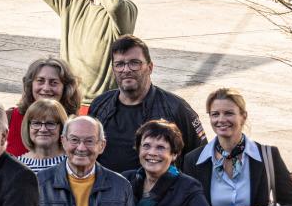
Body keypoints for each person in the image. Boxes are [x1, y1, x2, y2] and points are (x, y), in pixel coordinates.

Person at [181, 88, 292, 206]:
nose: (221, 120)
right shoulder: (193, 160)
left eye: (229, 113)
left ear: (243, 116)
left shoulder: (268, 155)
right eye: (215, 114)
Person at [31, 0, 137, 101]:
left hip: (101, 102)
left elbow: (115, 5)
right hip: (68, 98)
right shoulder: (74, 0)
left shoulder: (127, 9)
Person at [88, 36, 205, 175]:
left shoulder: (176, 108)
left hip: (158, 195)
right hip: (107, 193)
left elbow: (200, 158)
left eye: (134, 63)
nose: (126, 70)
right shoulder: (100, 105)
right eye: (119, 64)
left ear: (150, 67)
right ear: (113, 69)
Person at [31, 115, 137, 206]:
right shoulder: (40, 183)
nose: (81, 148)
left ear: (101, 145)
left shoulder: (121, 186)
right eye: (74, 140)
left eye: (89, 141)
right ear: (63, 141)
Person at [122, 120, 215, 206]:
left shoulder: (187, 186)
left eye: (160, 147)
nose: (152, 153)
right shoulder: (125, 180)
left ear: (174, 154)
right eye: (146, 146)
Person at [6, 56, 82, 156]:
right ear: (30, 85)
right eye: (40, 81)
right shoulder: (8, 119)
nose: (46, 88)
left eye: (54, 82)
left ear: (66, 88)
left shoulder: (76, 125)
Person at [18, 99, 69, 173]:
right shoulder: (17, 165)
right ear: (28, 127)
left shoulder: (72, 163)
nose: (43, 129)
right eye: (37, 123)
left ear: (62, 127)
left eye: (50, 123)